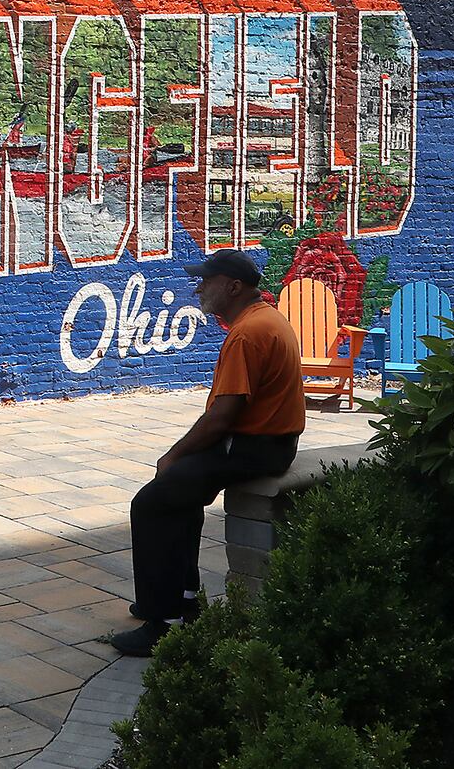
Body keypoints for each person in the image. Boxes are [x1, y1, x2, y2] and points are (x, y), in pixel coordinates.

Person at [110, 247, 305, 657]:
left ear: (233, 287)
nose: (198, 288)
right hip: (270, 443)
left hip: (254, 447)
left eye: (206, 281)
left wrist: (173, 455)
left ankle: (162, 621)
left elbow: (222, 416)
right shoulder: (264, 319)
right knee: (183, 496)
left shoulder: (248, 334)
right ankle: (182, 599)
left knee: (152, 503)